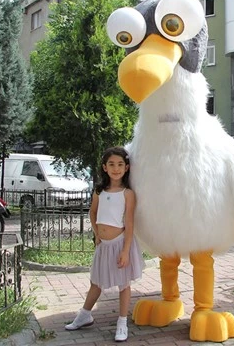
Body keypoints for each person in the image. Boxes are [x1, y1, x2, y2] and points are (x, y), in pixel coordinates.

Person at [65, 146, 144, 342]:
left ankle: (122, 322)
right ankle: (84, 315)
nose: (115, 168)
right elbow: (93, 213)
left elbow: (130, 223)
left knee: (123, 284)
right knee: (96, 282)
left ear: (126, 168)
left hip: (119, 244)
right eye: (111, 164)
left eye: (119, 164)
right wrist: (96, 233)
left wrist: (126, 251)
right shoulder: (99, 191)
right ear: (104, 167)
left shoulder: (128, 194)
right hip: (103, 245)